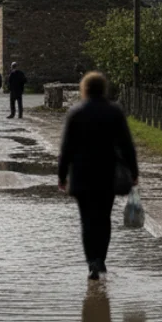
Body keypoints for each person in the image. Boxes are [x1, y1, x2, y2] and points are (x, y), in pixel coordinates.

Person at [57, 71, 138, 279]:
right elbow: (127, 145)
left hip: (81, 175)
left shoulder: (76, 113)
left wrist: (62, 176)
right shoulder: (114, 112)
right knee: (103, 218)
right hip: (106, 173)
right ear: (103, 89)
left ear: (84, 88)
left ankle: (91, 262)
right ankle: (101, 259)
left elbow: (66, 148)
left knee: (87, 220)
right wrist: (133, 172)